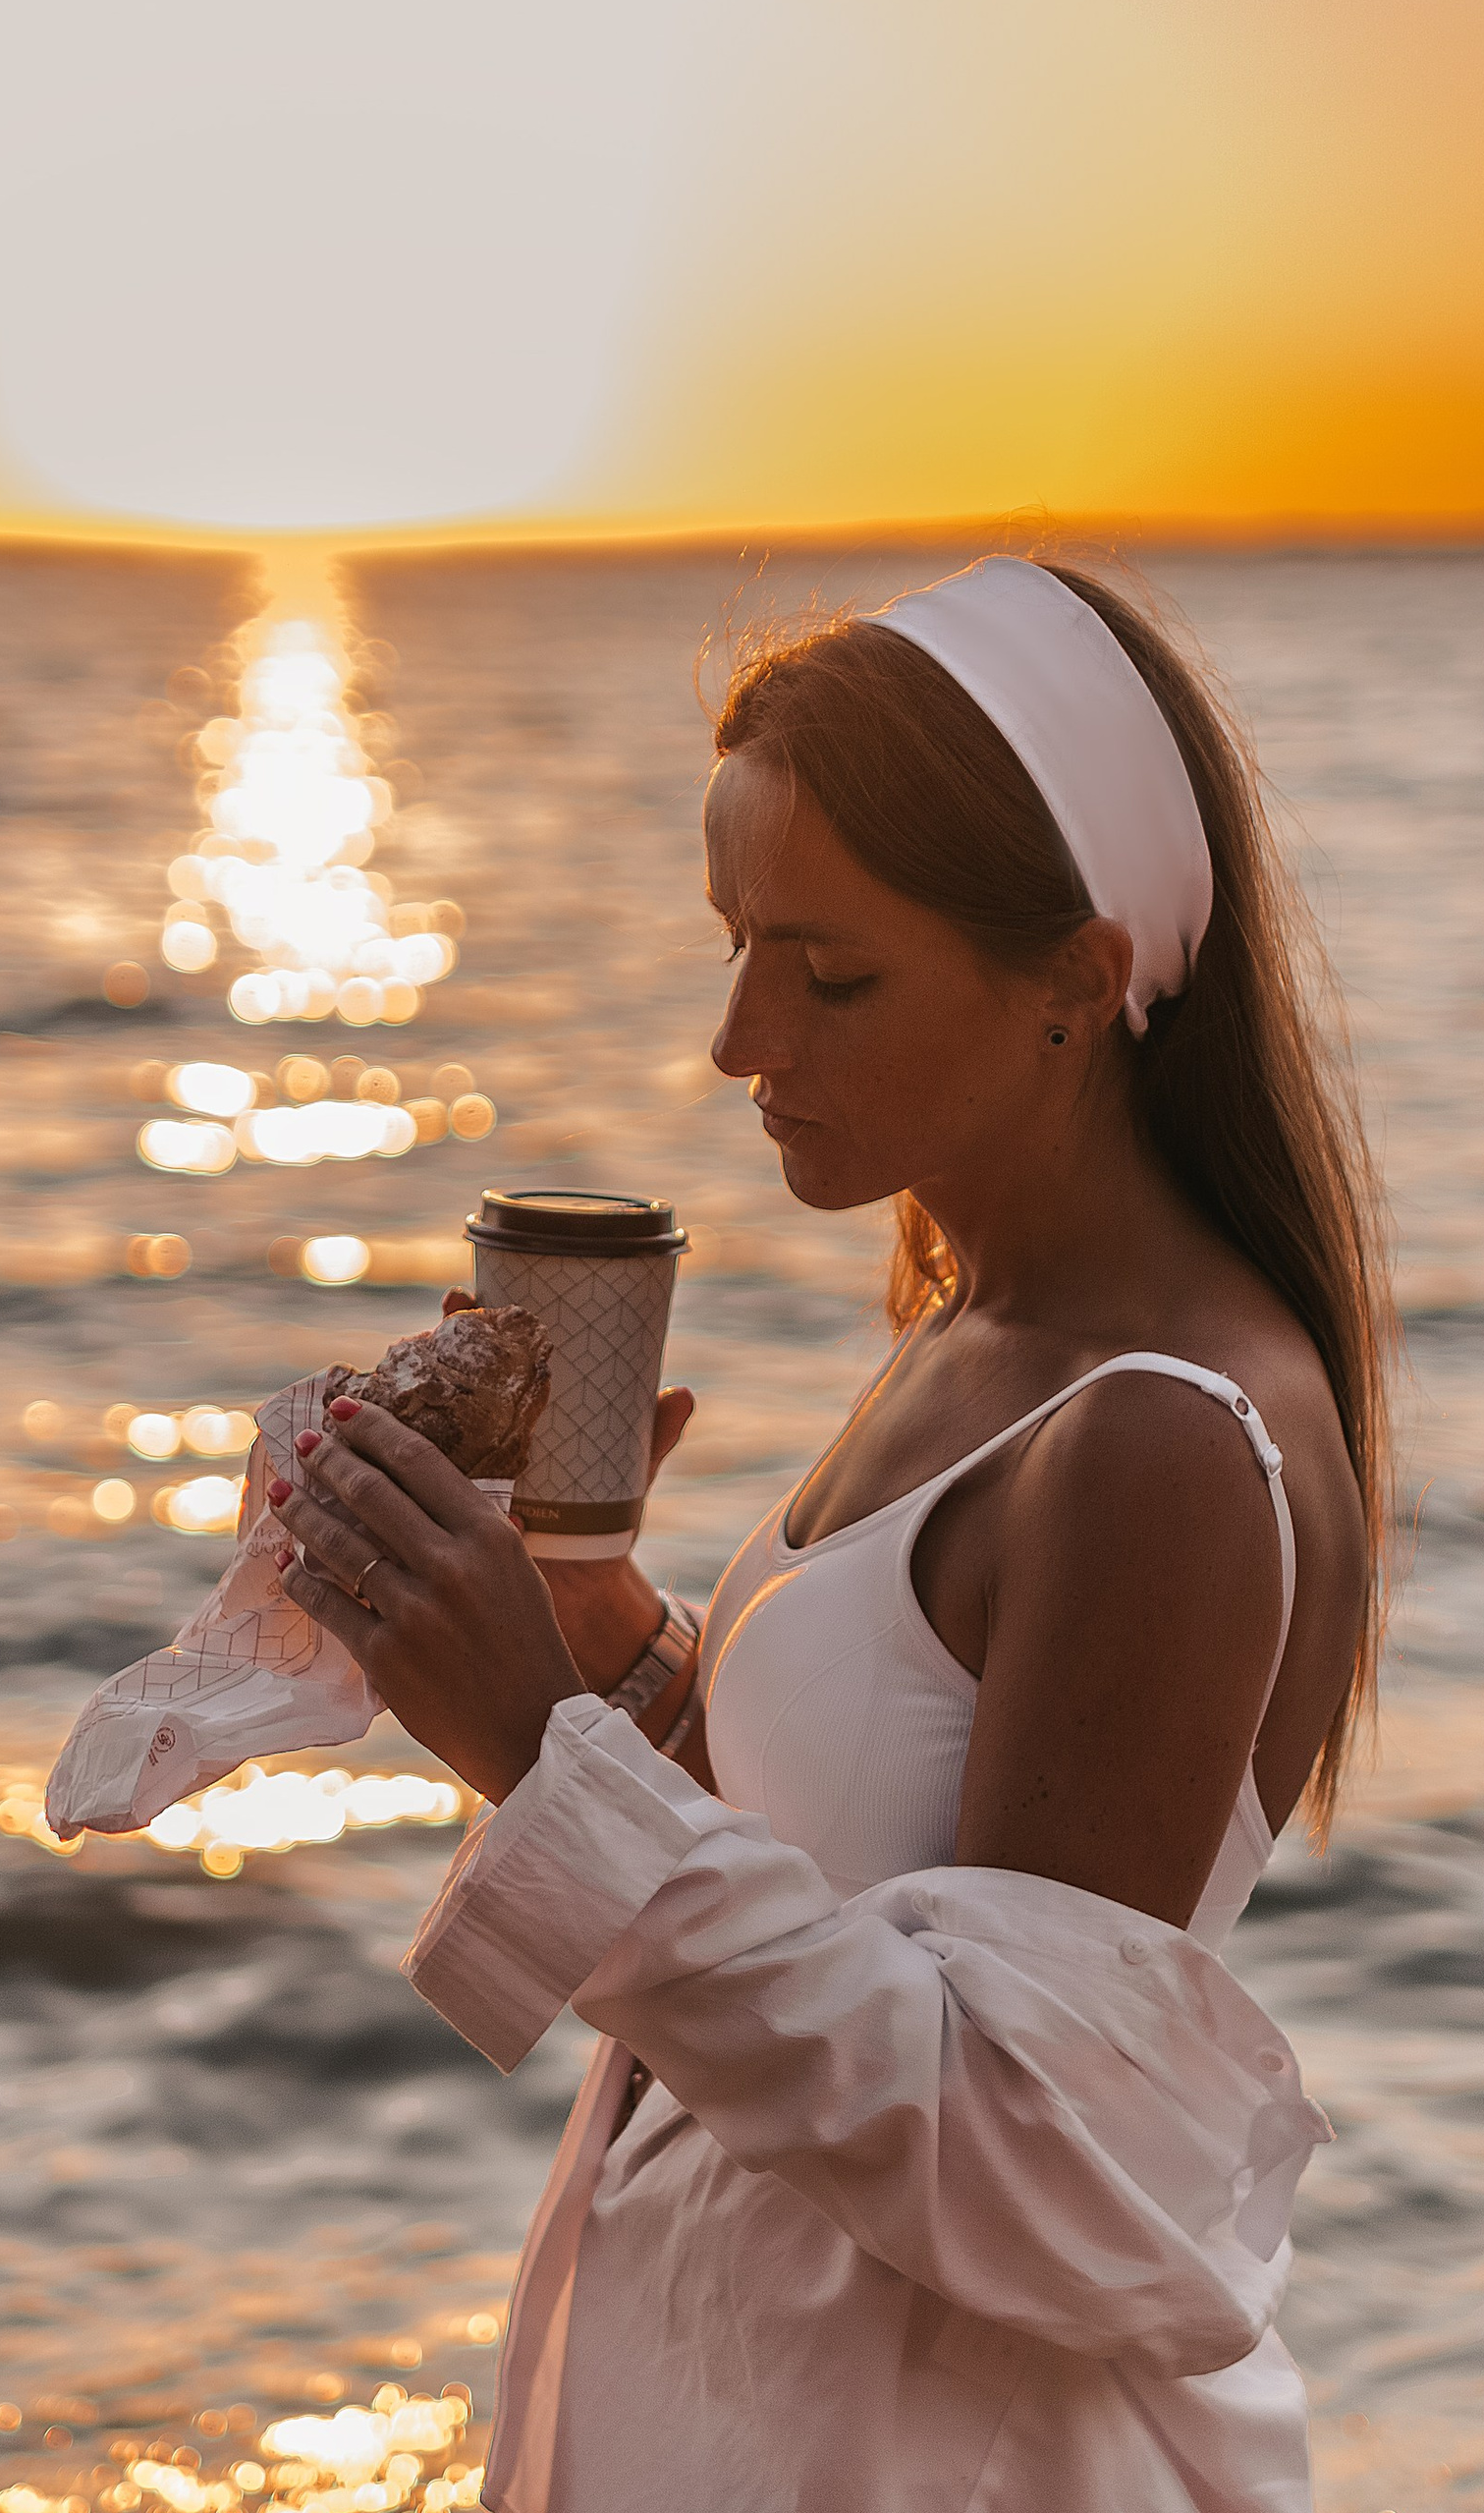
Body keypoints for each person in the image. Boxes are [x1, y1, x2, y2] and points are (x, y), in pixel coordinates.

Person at [265, 555, 1394, 2511]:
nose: (734, 1039)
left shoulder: (1159, 1440)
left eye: (827, 970)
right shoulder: (977, 1320)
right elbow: (852, 1863)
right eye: (733, 942)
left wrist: (538, 1750)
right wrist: (574, 1620)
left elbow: (1031, 2149)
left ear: (1072, 970)